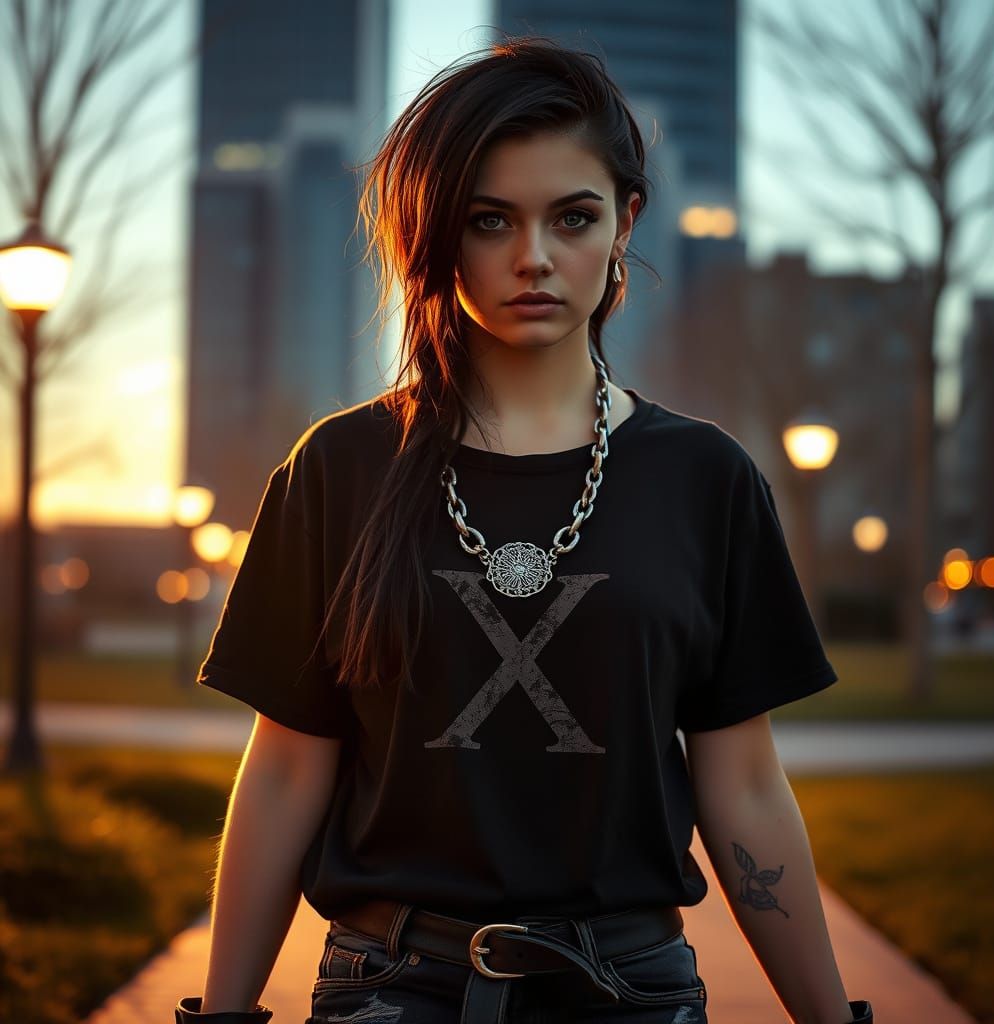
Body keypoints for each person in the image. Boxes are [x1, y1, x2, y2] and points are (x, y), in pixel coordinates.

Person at [174, 35, 874, 1024]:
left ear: (627, 220)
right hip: (389, 988)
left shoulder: (706, 478)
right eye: (488, 220)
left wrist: (831, 1017)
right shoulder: (337, 469)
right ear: (435, 235)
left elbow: (745, 782)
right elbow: (287, 765)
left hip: (629, 990)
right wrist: (223, 1013)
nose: (533, 256)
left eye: (572, 216)